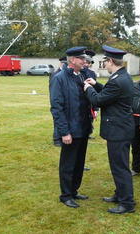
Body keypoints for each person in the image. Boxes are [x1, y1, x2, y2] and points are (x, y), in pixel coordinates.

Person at [84, 45, 135, 214]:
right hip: (121, 129)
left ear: (111, 61)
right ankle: (119, 194)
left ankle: (127, 203)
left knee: (120, 167)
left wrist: (89, 88)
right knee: (119, 166)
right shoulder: (121, 76)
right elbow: (109, 93)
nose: (104, 63)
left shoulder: (118, 80)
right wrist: (96, 84)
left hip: (118, 131)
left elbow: (99, 100)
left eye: (105, 61)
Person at [50, 46, 93, 208]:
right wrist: (64, 132)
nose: (85, 61)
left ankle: (74, 190)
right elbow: (57, 107)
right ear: (73, 60)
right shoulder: (59, 78)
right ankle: (66, 195)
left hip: (83, 129)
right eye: (82, 59)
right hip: (70, 130)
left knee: (79, 162)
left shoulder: (81, 76)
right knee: (68, 164)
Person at [49, 56, 67, 147]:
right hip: (57, 99)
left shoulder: (65, 73)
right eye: (64, 63)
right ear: (61, 63)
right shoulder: (55, 74)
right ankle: (56, 139)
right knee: (57, 119)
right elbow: (53, 90)